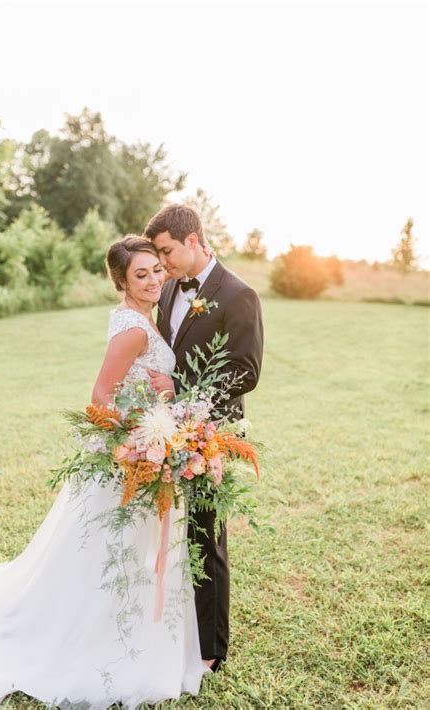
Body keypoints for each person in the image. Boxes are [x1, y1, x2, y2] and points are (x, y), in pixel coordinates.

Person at [0, 236, 209, 710]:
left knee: (118, 550)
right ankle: (101, 639)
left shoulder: (141, 318)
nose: (155, 279)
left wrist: (168, 399)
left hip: (143, 449)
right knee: (112, 550)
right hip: (130, 457)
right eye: (141, 274)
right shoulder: (133, 329)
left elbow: (140, 387)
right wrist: (141, 440)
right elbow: (99, 397)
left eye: (157, 270)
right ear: (121, 281)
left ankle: (121, 628)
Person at [144, 204, 264, 672]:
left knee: (206, 534)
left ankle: (211, 650)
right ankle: (170, 631)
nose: (163, 263)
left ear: (193, 240)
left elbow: (245, 371)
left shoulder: (239, 295)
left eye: (168, 251)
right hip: (167, 431)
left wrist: (185, 392)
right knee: (168, 529)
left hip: (211, 433)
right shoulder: (170, 288)